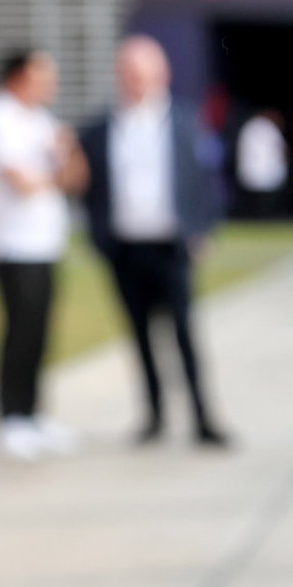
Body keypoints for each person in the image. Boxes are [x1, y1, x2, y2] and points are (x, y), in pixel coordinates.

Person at [80, 35, 231, 447]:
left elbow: (205, 180)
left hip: (171, 246)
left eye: (142, 73)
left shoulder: (185, 121)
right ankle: (153, 415)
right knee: (139, 336)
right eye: (127, 74)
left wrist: (204, 229)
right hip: (124, 247)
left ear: (161, 74)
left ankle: (203, 417)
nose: (135, 81)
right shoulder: (99, 128)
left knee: (183, 334)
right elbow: (86, 186)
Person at [0, 50, 87, 459]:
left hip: (46, 243)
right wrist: (56, 171)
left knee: (41, 331)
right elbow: (21, 181)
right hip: (11, 244)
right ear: (21, 76)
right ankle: (11, 417)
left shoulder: (42, 121)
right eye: (44, 74)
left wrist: (65, 159)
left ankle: (34, 413)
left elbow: (75, 176)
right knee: (18, 329)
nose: (52, 82)